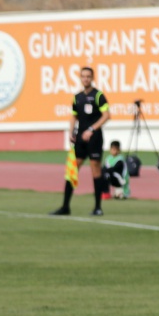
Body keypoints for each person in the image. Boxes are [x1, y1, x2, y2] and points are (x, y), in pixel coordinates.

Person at [53, 66, 111, 216]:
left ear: (92, 78)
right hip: (80, 139)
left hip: (94, 139)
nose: (86, 79)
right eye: (83, 76)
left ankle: (98, 207)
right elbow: (74, 116)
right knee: (73, 170)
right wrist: (71, 131)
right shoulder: (77, 97)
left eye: (88, 76)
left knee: (95, 170)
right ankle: (65, 207)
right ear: (80, 78)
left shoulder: (98, 95)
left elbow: (106, 115)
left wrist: (91, 130)